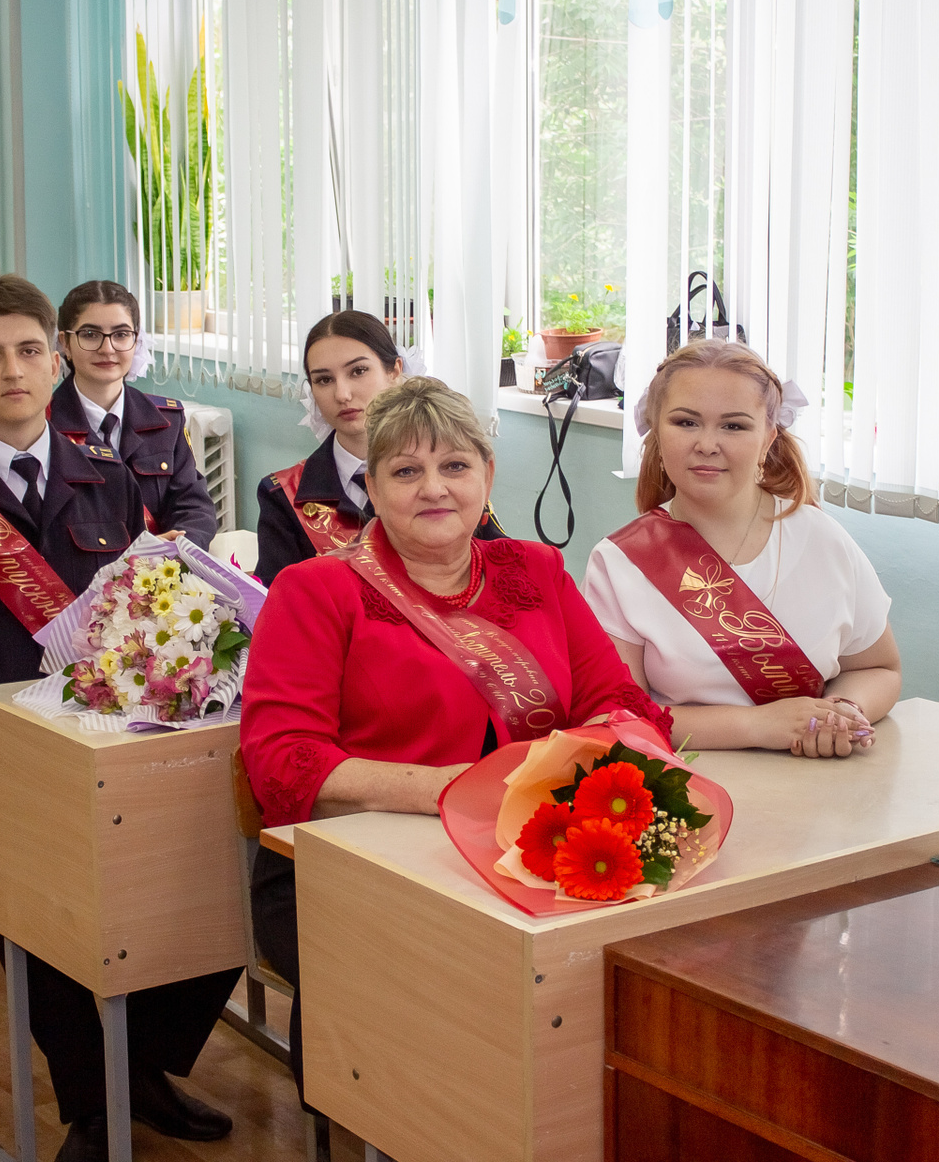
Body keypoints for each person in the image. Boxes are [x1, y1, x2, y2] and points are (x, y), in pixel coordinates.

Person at [0, 275, 239, 1161]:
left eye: (30, 350)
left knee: (217, 860)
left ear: (56, 359)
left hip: (109, 742)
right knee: (34, 886)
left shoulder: (108, 475)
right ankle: (92, 1101)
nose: (13, 371)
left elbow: (141, 621)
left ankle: (141, 1066)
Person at [238, 377, 670, 1095]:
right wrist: (458, 791)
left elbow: (620, 703)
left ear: (487, 477)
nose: (434, 488)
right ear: (373, 488)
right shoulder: (316, 590)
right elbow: (283, 760)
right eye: (407, 471)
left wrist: (577, 773)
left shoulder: (536, 570)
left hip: (530, 847)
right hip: (352, 871)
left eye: (455, 465)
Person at [583, 339, 901, 757]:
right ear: (656, 430)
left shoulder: (823, 538)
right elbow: (620, 716)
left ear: (768, 437)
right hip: (688, 782)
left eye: (733, 426)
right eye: (685, 422)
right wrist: (757, 725)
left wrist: (843, 712)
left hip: (820, 778)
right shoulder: (619, 562)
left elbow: (879, 667)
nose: (707, 444)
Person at [255, 310, 507, 586]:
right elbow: (275, 599)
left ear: (395, 371)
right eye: (324, 380)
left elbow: (500, 570)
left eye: (358, 371)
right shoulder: (285, 494)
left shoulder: (448, 472)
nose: (342, 394)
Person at [45, 280, 218, 546]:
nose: (107, 349)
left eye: (121, 334)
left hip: (162, 566)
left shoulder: (166, 421)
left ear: (136, 341)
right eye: (90, 334)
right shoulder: (43, 424)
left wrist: (174, 549)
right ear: (65, 342)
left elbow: (193, 506)